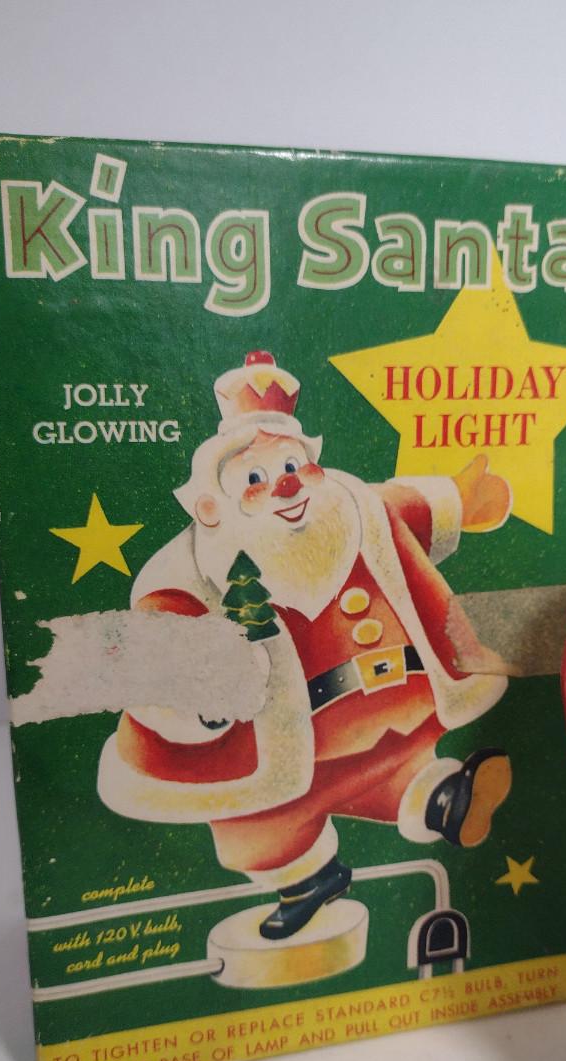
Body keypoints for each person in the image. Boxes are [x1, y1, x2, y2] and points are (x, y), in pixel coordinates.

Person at [99, 352, 513, 939]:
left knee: (397, 767)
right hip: (277, 748)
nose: (286, 484)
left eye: (293, 464)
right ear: (212, 507)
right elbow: (159, 646)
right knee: (262, 824)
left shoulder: (355, 510)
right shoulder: (187, 574)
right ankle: (307, 880)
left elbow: (406, 507)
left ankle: (443, 798)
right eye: (254, 479)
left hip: (391, 704)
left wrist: (459, 501)